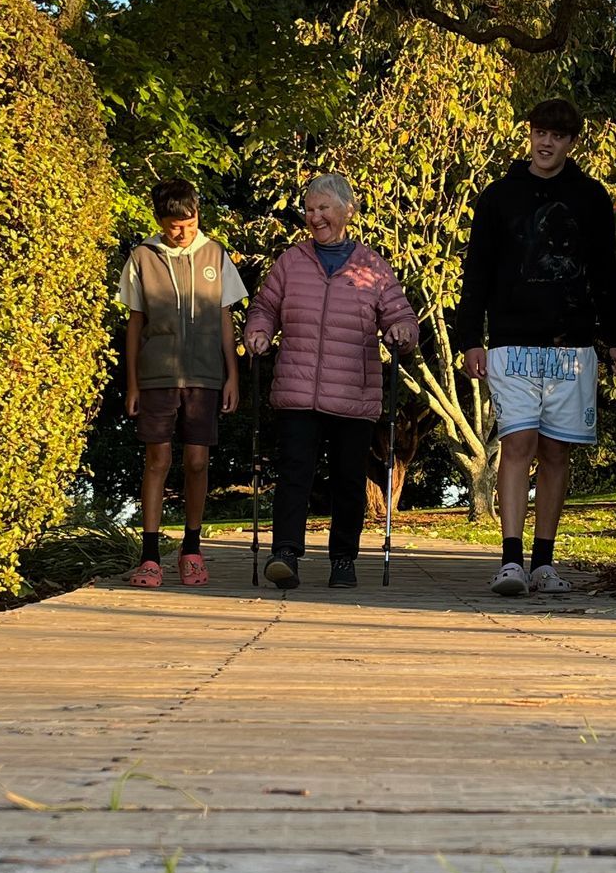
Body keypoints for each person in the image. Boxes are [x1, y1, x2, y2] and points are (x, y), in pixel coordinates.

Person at [456, 98, 616, 598]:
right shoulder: (498, 197)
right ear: (529, 135)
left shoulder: (592, 198)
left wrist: (615, 340)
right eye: (539, 132)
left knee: (557, 452)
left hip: (572, 346)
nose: (546, 142)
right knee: (517, 445)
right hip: (512, 342)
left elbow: (606, 272)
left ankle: (543, 564)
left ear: (573, 141)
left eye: (557, 134)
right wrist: (470, 339)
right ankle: (511, 561)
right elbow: (477, 273)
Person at [241, 173, 420, 590]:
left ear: (347, 211)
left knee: (348, 479)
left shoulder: (372, 266)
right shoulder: (291, 261)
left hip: (353, 392)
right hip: (297, 388)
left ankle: (343, 559)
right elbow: (265, 305)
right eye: (309, 209)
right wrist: (259, 330)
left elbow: (400, 314)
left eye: (323, 208)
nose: (314, 216)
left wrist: (401, 333)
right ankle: (285, 552)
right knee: (294, 473)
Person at [118, 178, 245, 589]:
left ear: (197, 217)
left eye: (189, 224)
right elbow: (135, 322)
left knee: (197, 461)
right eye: (174, 225)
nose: (182, 232)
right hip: (157, 375)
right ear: (159, 221)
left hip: (205, 375)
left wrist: (232, 376)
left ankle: (192, 549)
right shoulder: (142, 257)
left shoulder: (215, 253)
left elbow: (226, 319)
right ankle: (150, 555)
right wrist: (133, 383)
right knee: (157, 461)